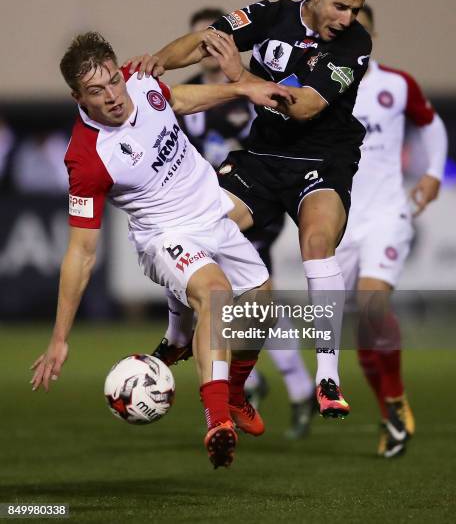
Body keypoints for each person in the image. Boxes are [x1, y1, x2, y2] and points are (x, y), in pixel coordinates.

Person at [29, 31, 294, 469]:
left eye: (114, 80)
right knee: (216, 295)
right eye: (97, 91)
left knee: (261, 304)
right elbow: (80, 253)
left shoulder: (140, 79)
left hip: (212, 212)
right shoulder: (87, 158)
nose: (113, 95)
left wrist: (241, 87)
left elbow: (179, 99)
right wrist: (59, 339)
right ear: (78, 96)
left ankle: (226, 385)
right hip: (165, 235)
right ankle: (217, 421)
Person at [126, 0, 372, 418]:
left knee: (316, 243)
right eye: (340, 6)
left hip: (323, 160)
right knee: (192, 227)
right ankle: (179, 335)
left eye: (355, 9)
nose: (347, 19)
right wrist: (156, 62)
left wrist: (241, 77)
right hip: (261, 158)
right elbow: (205, 43)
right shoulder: (270, 14)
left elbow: (302, 107)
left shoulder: (354, 44)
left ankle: (328, 377)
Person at [152, 7, 316, 439]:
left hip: (245, 201)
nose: (205, 50)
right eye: (199, 43)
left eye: (211, 41)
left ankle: (291, 386)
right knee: (224, 294)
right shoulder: (184, 100)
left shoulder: (248, 91)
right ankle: (248, 381)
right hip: (201, 206)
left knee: (253, 295)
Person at [335, 5, 448, 457]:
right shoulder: (321, 87)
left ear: (372, 34)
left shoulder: (396, 85)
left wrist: (433, 172)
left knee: (372, 303)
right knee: (360, 328)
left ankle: (396, 395)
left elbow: (431, 122)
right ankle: (390, 413)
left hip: (386, 214)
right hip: (339, 222)